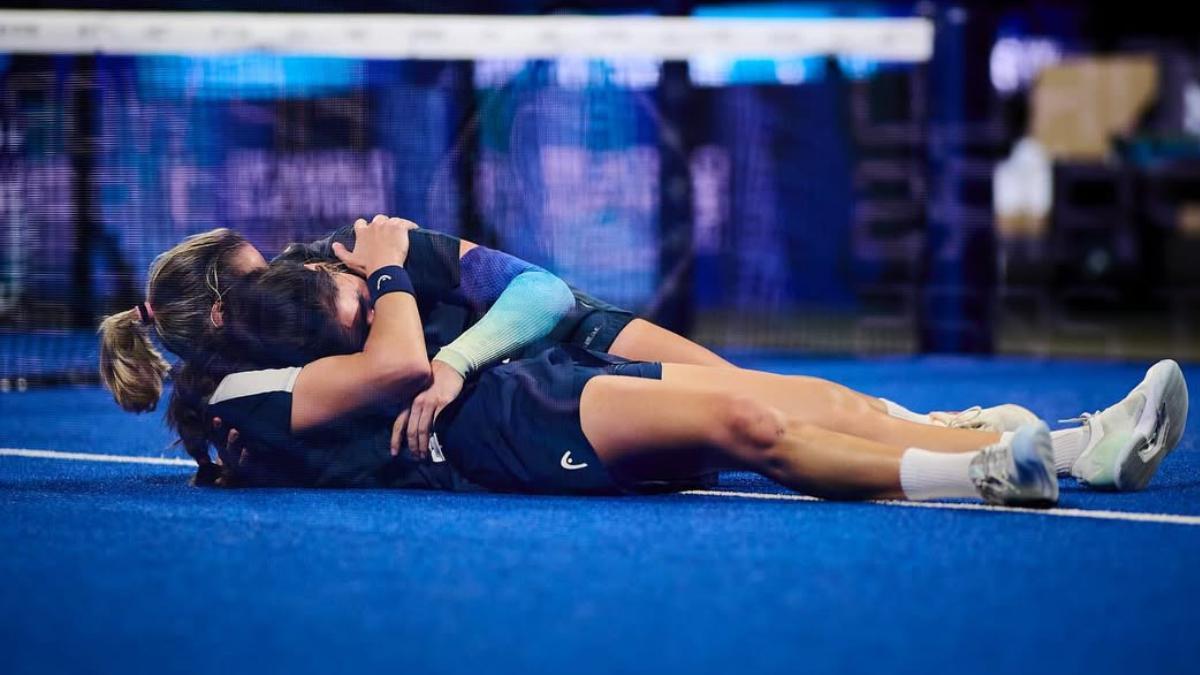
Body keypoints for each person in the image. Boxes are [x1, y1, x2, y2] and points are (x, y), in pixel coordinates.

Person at [167, 219, 1188, 504]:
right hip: (506, 425)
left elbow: (543, 295)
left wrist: (439, 331)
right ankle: (978, 468)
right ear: (230, 314)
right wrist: (389, 282)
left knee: (785, 397)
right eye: (264, 267)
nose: (296, 253)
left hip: (540, 362)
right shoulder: (268, 387)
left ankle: (1062, 446)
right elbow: (396, 366)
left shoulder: (335, 263)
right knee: (755, 427)